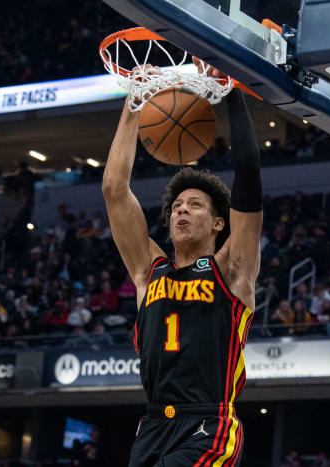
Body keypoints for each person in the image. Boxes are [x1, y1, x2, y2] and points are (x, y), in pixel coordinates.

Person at [104, 60, 262, 467]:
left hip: (209, 425)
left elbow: (248, 176)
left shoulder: (231, 270)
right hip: (153, 424)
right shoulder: (148, 271)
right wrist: (134, 101)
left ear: (218, 222)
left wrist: (234, 91)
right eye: (176, 206)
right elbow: (114, 189)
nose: (181, 212)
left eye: (194, 205)